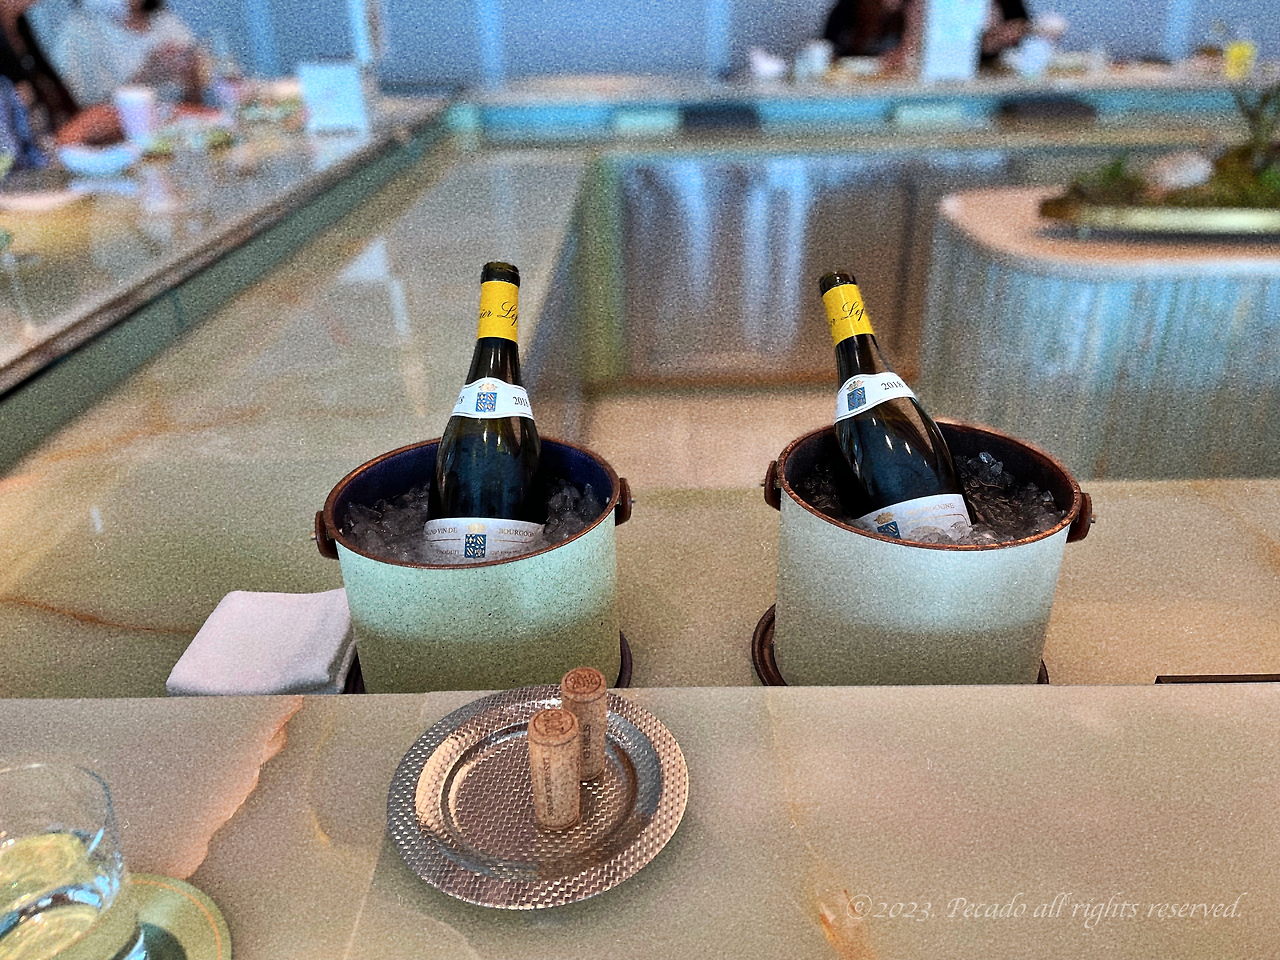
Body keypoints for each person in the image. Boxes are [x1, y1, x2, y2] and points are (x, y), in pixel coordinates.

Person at [0, 0, 120, 147]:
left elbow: (56, 103)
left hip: (64, 151)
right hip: (41, 156)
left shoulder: (21, 25)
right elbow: (10, 152)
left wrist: (86, 123)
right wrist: (68, 136)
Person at [53, 0, 205, 109]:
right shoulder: (79, 33)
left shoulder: (163, 19)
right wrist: (145, 77)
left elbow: (195, 106)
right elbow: (83, 119)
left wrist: (191, 78)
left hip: (176, 132)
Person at [822, 0, 1030, 72]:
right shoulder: (852, 8)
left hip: (975, 96)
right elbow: (827, 49)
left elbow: (1024, 30)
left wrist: (988, 42)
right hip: (868, 96)